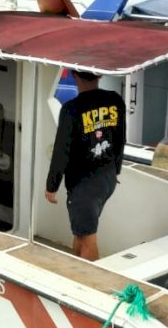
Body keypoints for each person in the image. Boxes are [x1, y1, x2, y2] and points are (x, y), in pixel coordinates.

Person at [44, 70, 125, 261]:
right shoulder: (115, 100)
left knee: (88, 240)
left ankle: (87, 286)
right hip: (107, 179)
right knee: (81, 233)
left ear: (73, 75)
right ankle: (75, 271)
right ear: (101, 75)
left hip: (84, 187)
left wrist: (51, 185)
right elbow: (121, 139)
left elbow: (61, 151)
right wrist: (116, 171)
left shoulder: (71, 109)